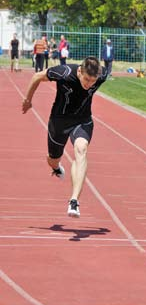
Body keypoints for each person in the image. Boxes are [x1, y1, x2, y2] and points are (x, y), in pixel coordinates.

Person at [21, 57, 108, 218]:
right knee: (53, 159)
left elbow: (100, 74)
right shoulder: (64, 72)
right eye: (87, 79)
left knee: (81, 150)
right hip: (59, 121)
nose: (89, 84)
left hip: (82, 120)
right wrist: (28, 100)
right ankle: (55, 167)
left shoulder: (102, 75)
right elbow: (36, 77)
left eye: (93, 81)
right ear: (80, 71)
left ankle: (74, 201)